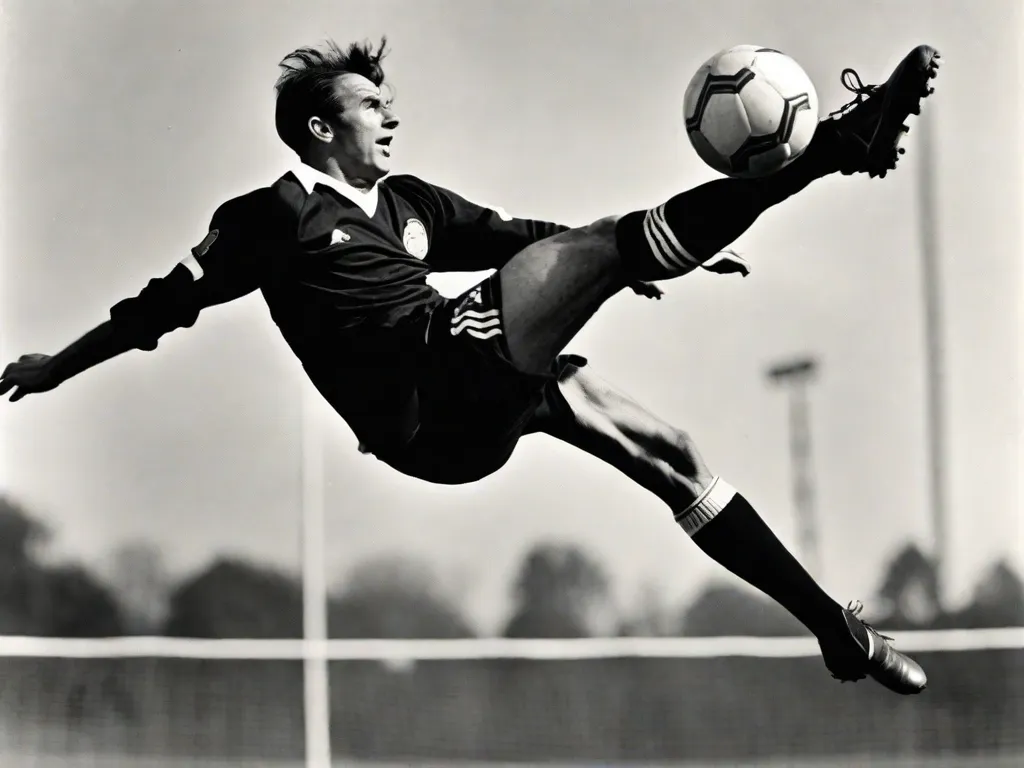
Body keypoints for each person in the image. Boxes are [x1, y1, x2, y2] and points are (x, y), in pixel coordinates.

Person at [2, 38, 940, 694]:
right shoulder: (270, 217)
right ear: (320, 129)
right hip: (421, 402)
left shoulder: (409, 202)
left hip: (474, 377)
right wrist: (55, 367)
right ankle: (836, 147)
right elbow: (160, 307)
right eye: (371, 107)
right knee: (597, 252)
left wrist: (651, 258)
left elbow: (519, 237)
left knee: (675, 456)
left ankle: (836, 631)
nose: (390, 118)